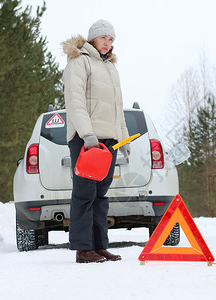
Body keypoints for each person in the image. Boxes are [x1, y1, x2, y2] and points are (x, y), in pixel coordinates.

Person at [62, 19, 130, 263]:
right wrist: (87, 135)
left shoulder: (111, 68)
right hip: (86, 140)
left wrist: (123, 138)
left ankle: (99, 246)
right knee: (84, 194)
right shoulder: (79, 62)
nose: (108, 44)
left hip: (108, 141)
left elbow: (117, 108)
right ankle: (83, 249)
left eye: (111, 40)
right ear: (93, 38)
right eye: (104, 38)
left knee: (101, 196)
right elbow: (75, 101)